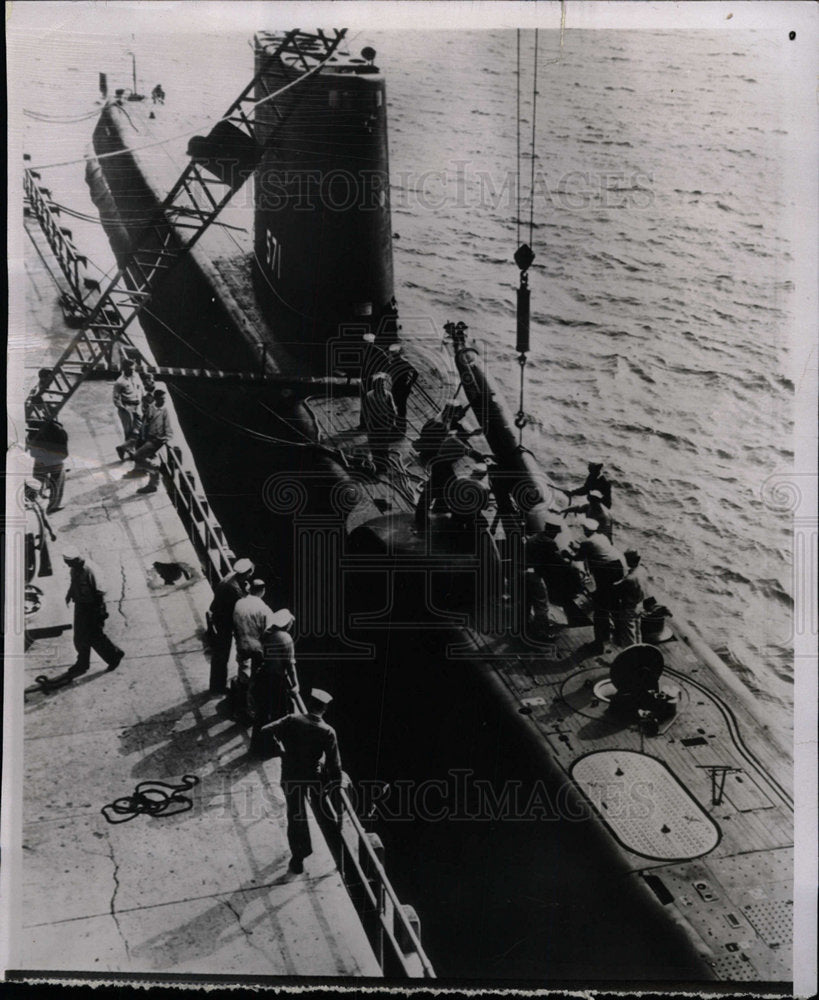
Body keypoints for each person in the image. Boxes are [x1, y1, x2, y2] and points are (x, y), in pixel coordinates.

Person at [265, 689, 343, 874]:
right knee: (325, 814)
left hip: (291, 774)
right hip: (313, 777)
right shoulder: (328, 731)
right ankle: (339, 856)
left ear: (308, 703)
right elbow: (335, 765)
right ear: (324, 709)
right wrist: (337, 785)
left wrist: (280, 748)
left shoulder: (292, 719)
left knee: (295, 814)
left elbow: (265, 730)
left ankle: (298, 857)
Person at [63, 546, 124, 675]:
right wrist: (69, 595)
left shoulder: (91, 570)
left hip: (93, 607)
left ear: (77, 560)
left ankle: (114, 656)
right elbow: (73, 583)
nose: (68, 566)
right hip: (81, 606)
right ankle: (82, 664)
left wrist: (98, 612)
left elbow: (99, 592)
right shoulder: (75, 568)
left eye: (69, 563)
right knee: (79, 637)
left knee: (95, 636)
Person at [573, 517, 626, 649]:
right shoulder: (602, 537)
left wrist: (569, 554)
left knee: (600, 609)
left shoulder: (587, 542)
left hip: (606, 572)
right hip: (618, 568)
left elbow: (578, 558)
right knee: (614, 604)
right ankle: (621, 636)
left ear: (586, 530)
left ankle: (600, 643)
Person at [250, 608, 299, 746]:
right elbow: (290, 665)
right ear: (286, 624)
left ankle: (258, 744)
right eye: (290, 622)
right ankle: (275, 743)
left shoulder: (267, 634)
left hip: (263, 676)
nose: (291, 624)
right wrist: (296, 684)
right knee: (279, 712)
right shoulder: (286, 638)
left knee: (263, 711)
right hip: (276, 680)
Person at [208, 557, 255, 694]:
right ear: (248, 572)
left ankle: (217, 684)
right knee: (222, 655)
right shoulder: (234, 589)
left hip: (217, 616)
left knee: (219, 655)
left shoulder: (229, 577)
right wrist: (246, 591)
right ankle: (218, 687)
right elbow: (242, 605)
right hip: (224, 624)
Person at [131, 388, 172, 494]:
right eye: (161, 398)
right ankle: (153, 482)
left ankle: (155, 473)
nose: (163, 401)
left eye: (164, 399)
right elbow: (146, 422)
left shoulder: (165, 410)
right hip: (149, 437)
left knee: (137, 456)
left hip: (158, 440)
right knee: (141, 457)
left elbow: (168, 427)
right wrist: (143, 437)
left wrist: (167, 439)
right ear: (156, 398)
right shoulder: (151, 408)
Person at [28, 416, 69, 513]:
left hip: (39, 459)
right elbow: (64, 453)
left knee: (38, 480)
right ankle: (53, 506)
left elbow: (31, 449)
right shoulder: (59, 430)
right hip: (54, 461)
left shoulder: (33, 428)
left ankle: (35, 502)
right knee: (58, 481)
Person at [613, 549, 649, 646]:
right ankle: (640, 650)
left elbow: (617, 590)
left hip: (629, 609)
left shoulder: (630, 579)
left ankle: (632, 657)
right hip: (639, 605)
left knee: (629, 636)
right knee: (637, 632)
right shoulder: (642, 570)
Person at [364, 372, 398, 471]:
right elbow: (367, 411)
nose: (382, 385)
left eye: (383, 384)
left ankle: (384, 463)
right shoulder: (369, 396)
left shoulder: (388, 395)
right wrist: (368, 424)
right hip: (374, 422)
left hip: (384, 422)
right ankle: (377, 464)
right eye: (379, 384)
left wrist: (392, 422)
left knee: (384, 444)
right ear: (375, 385)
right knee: (374, 444)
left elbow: (392, 409)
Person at [385, 343, 418, 434]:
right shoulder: (394, 362)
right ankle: (399, 427)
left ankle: (401, 429)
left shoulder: (402, 362)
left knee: (400, 408)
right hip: (397, 387)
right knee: (397, 407)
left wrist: (409, 385)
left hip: (401, 387)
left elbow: (416, 372)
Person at [113, 358, 145, 450]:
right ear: (124, 369)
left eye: (133, 369)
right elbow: (116, 398)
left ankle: (127, 448)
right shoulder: (120, 382)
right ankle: (129, 450)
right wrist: (123, 409)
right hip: (127, 407)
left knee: (139, 428)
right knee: (128, 430)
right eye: (130, 370)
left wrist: (144, 401)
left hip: (137, 406)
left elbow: (141, 389)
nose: (132, 371)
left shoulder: (136, 376)